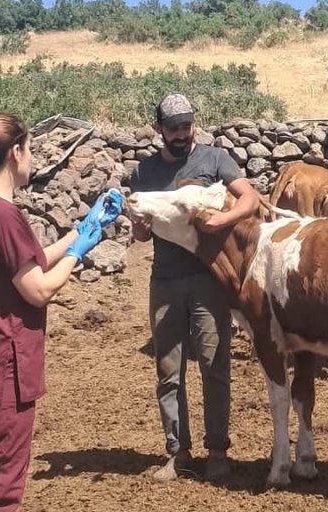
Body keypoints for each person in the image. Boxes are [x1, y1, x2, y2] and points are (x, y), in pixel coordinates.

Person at [0, 112, 123, 512]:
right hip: (2, 369)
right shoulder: (3, 215)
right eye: (30, 150)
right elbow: (37, 289)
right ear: (15, 153)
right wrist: (77, 255)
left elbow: (27, 261)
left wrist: (83, 229)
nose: (33, 159)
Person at [127, 93, 261, 481]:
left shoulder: (214, 159)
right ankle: (178, 451)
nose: (182, 133)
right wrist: (138, 225)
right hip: (165, 280)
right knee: (168, 369)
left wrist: (223, 221)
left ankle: (217, 450)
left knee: (213, 363)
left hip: (208, 278)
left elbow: (249, 198)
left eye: (187, 125)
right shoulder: (145, 172)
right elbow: (140, 236)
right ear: (159, 130)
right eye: (174, 128)